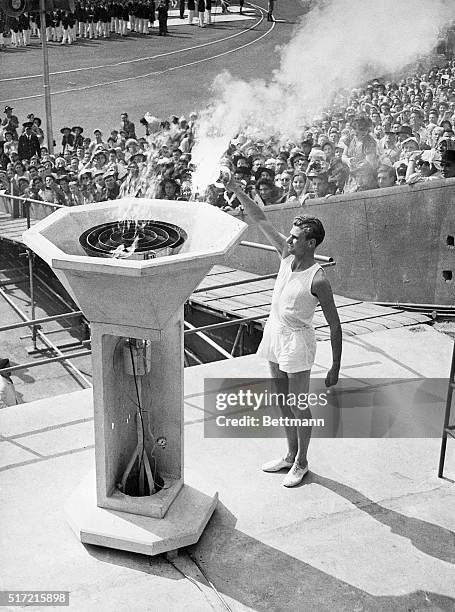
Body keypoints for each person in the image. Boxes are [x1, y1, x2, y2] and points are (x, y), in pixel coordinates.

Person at [223, 173, 342, 487]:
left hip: (298, 342)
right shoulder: (287, 256)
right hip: (275, 334)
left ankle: (302, 462)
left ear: (311, 243)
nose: (288, 240)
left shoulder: (318, 279)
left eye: (295, 237)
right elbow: (259, 218)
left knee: (299, 405)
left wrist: (335, 367)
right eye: (289, 236)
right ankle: (290, 455)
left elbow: (335, 325)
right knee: (281, 401)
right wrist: (237, 189)